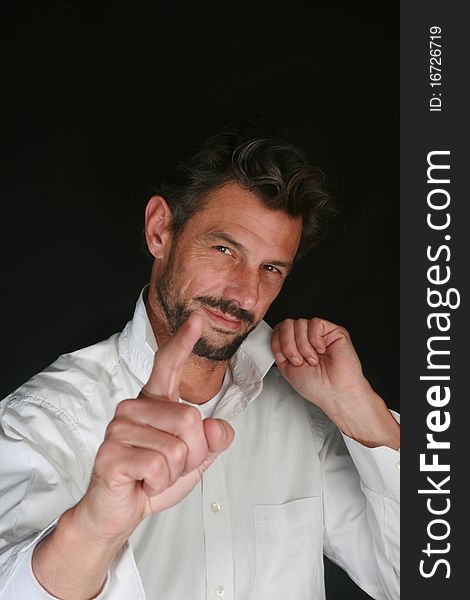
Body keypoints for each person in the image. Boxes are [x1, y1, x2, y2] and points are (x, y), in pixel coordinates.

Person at [0, 124, 400, 600]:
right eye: (224, 249)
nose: (245, 294)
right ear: (159, 230)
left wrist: (366, 417)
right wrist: (94, 527)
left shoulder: (305, 413)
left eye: (270, 269)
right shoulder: (45, 420)